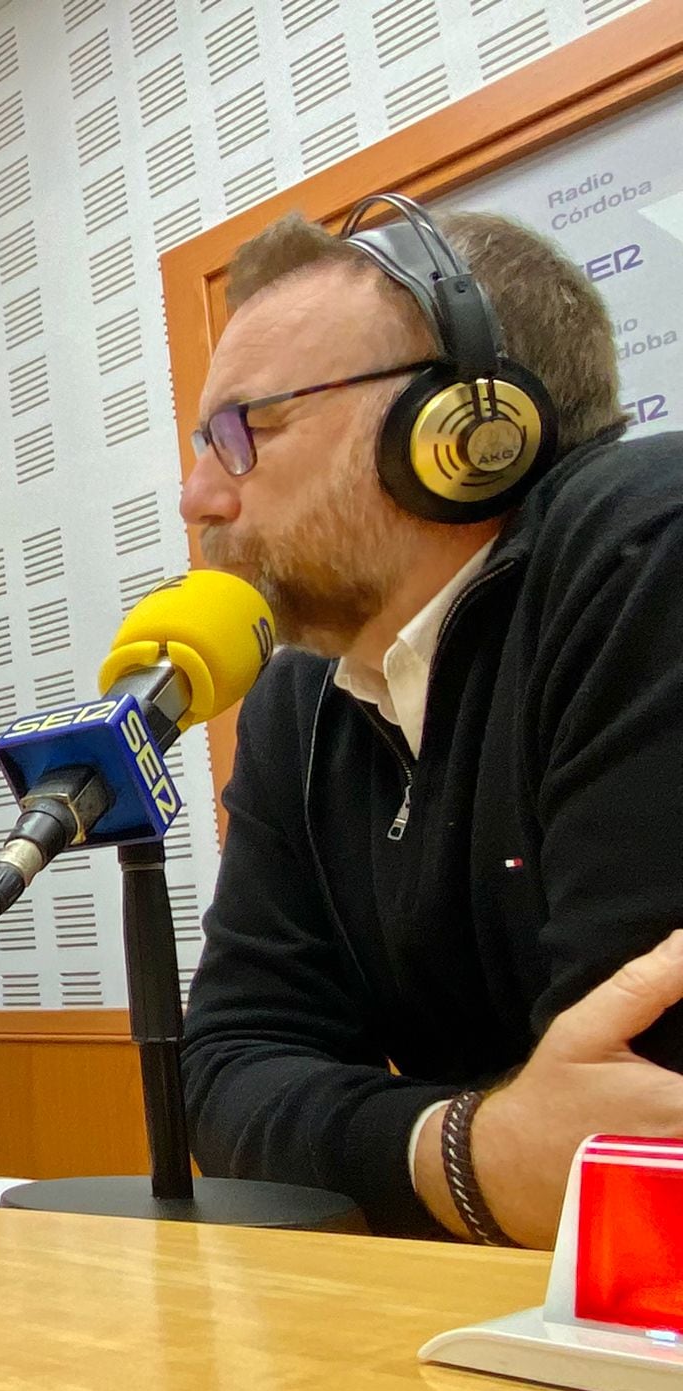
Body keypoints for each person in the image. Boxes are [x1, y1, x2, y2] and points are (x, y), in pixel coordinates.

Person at [178, 196, 683, 1246]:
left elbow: (634, 1126)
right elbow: (228, 1071)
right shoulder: (300, 695)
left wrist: (411, 1149)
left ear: (465, 431)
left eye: (245, 431)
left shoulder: (648, 547)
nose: (196, 497)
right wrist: (463, 1155)